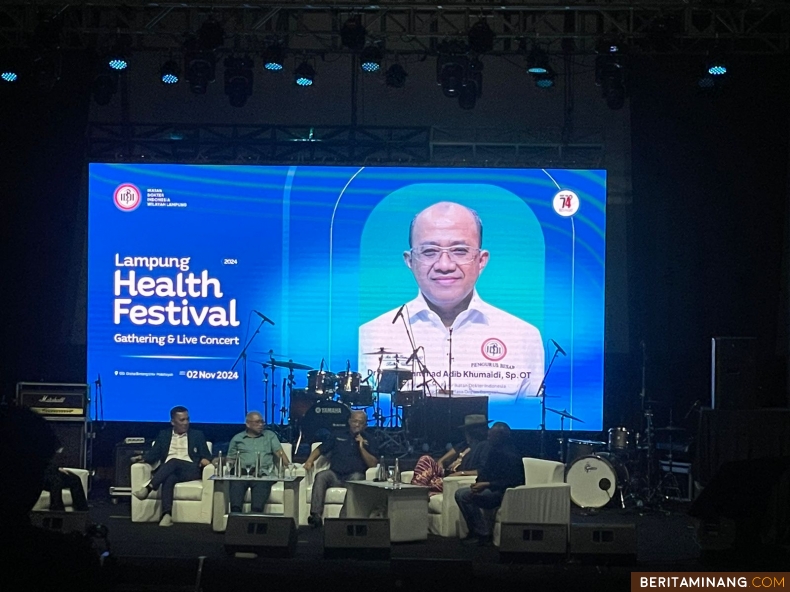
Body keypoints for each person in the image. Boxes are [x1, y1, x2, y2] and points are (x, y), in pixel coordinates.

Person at [358, 201, 544, 402]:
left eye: (459, 251)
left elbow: (531, 422)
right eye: (429, 251)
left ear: (481, 261)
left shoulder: (524, 337)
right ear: (410, 261)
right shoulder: (371, 334)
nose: (444, 265)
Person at [0, 406, 101, 591]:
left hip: (53, 472)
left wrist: (54, 467)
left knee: (73, 478)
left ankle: (81, 512)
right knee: (54, 478)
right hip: (50, 477)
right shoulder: (61, 557)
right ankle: (57, 509)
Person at [132, 405, 212, 526]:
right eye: (182, 420)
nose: (186, 423)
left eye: (187, 419)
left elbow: (206, 455)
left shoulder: (197, 434)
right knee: (169, 478)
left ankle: (148, 488)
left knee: (174, 461)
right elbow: (154, 454)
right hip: (169, 470)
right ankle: (167, 515)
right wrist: (142, 459)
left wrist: (206, 460)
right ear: (172, 422)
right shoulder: (164, 435)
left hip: (191, 469)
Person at [303, 410, 378, 528]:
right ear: (349, 421)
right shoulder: (338, 434)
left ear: (365, 425)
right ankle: (315, 515)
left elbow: (373, 464)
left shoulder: (370, 439)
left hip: (353, 477)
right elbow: (320, 449)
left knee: (357, 478)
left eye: (360, 422)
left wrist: (361, 447)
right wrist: (309, 460)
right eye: (354, 421)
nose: (357, 425)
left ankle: (343, 518)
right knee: (321, 475)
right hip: (335, 475)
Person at [455, 422, 524, 546]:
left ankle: (482, 534)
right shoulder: (493, 451)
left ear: (500, 437)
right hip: (490, 487)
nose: (488, 438)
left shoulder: (511, 455)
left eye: (491, 436)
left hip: (503, 492)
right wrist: (478, 484)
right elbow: (485, 471)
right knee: (460, 494)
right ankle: (475, 531)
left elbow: (514, 481)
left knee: (465, 496)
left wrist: (487, 484)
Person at [226, 411, 290, 513]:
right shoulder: (237, 438)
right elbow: (230, 460)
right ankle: (235, 517)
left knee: (260, 487)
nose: (261, 425)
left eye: (262, 422)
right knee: (236, 484)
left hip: (263, 474)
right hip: (242, 474)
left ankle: (255, 518)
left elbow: (279, 453)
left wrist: (290, 466)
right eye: (257, 422)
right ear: (248, 424)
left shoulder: (270, 436)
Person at [410, 414, 491, 495]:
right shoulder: (464, 444)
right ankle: (419, 493)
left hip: (453, 479)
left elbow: (482, 470)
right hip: (446, 473)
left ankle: (417, 495)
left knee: (430, 482)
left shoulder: (484, 446)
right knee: (425, 459)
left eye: (467, 431)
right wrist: (441, 462)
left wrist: (461, 473)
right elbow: (447, 455)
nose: (465, 434)